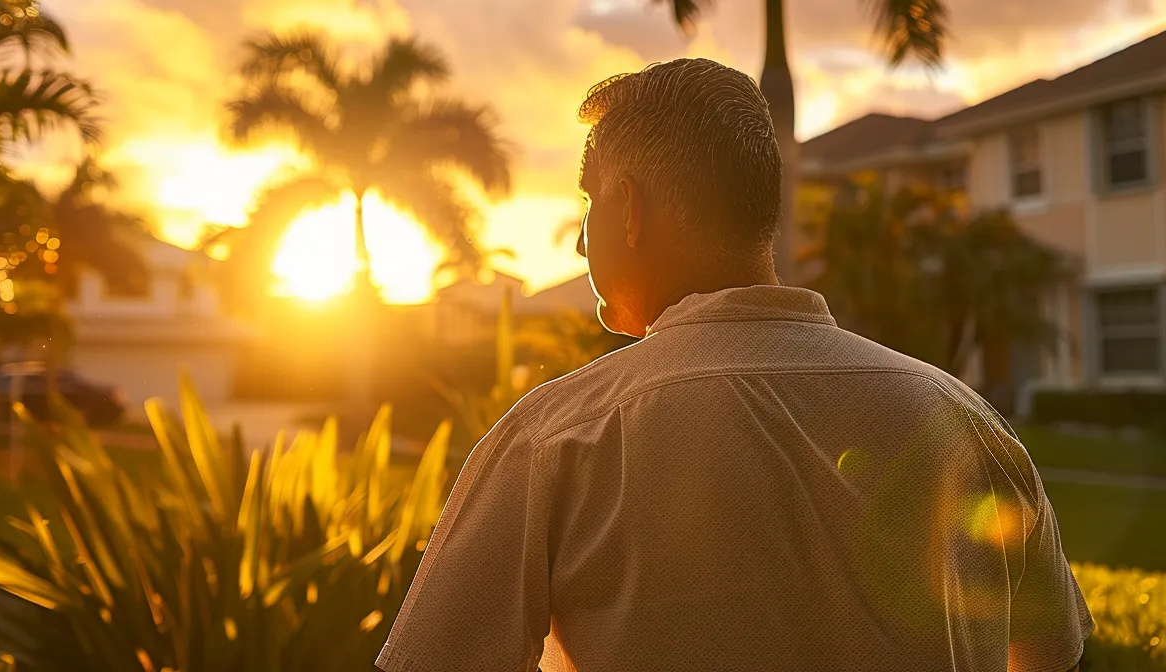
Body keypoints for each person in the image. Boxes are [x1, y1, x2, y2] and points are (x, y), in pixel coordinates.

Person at [376, 58, 1092, 672]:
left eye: (590, 203)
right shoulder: (967, 422)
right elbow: (1046, 655)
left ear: (629, 210)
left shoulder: (560, 440)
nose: (579, 245)